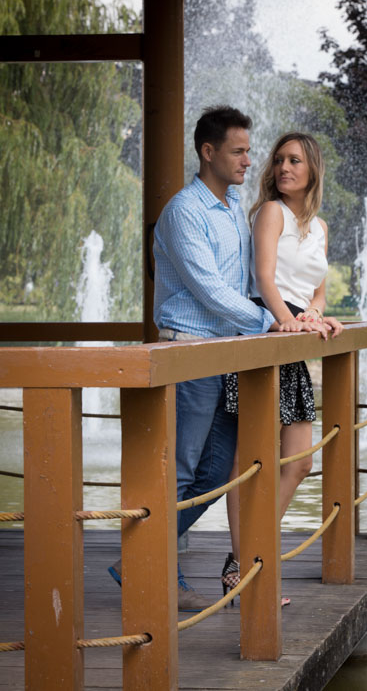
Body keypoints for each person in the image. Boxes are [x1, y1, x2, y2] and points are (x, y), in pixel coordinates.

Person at [108, 107, 317, 612]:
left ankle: (137, 558)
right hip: (189, 352)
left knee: (218, 473)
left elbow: (249, 281)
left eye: (248, 151)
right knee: (182, 471)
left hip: (225, 355)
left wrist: (297, 313)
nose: (249, 161)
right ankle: (147, 564)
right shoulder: (185, 211)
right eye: (238, 151)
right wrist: (270, 321)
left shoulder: (233, 206)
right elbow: (210, 290)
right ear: (208, 152)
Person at [221, 132, 344, 601]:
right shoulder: (271, 212)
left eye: (294, 160)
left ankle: (250, 555)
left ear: (312, 169)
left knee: (301, 460)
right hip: (266, 333)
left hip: (292, 335)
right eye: (279, 160)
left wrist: (314, 315)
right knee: (248, 459)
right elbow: (264, 277)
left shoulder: (320, 227)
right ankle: (247, 564)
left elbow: (318, 290)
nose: (284, 168)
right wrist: (286, 319)